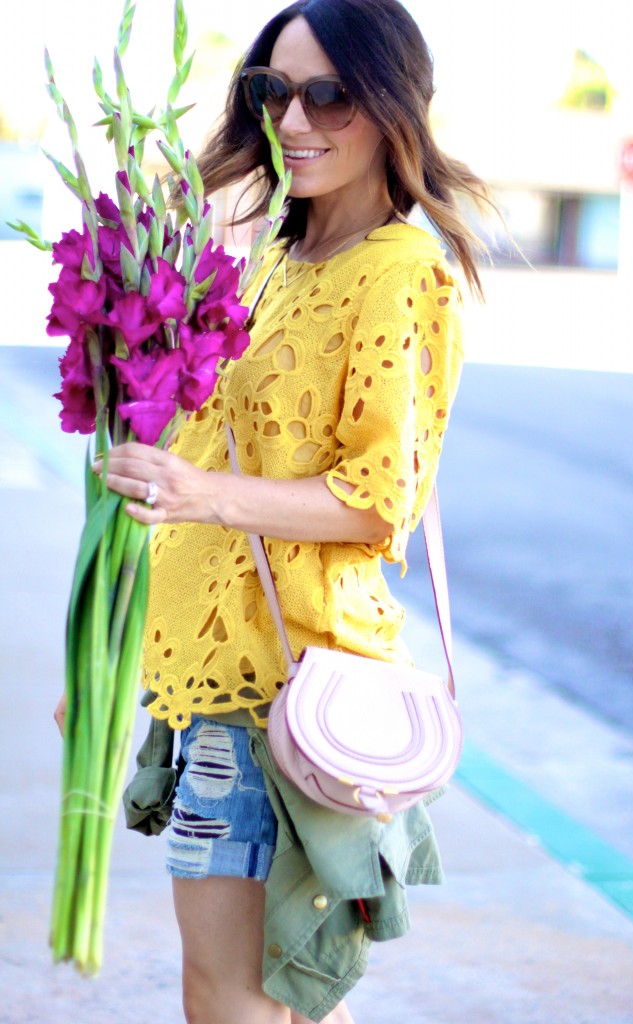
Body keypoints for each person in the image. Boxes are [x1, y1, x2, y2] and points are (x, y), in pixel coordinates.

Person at [55, 1, 494, 1020]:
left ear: (392, 106)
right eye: (272, 92)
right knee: (264, 997)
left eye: (327, 94)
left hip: (283, 693)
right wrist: (114, 666)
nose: (293, 120)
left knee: (233, 993)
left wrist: (197, 492)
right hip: (210, 681)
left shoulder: (399, 274)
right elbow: (202, 459)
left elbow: (380, 498)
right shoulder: (269, 261)